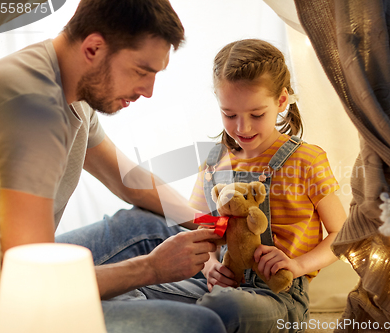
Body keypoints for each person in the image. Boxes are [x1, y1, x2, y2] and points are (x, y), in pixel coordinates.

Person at [0, 0, 226, 332]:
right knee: (202, 325)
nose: (148, 91)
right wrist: (151, 269)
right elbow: (33, 280)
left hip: (26, 261)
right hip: (1, 292)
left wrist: (214, 224)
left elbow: (128, 179)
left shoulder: (71, 87)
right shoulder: (33, 110)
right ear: (94, 48)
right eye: (142, 71)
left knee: (150, 226)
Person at [138, 39, 347, 332]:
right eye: (229, 114)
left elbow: (343, 234)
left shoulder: (306, 159)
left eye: (256, 115)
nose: (242, 128)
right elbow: (202, 230)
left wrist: (297, 265)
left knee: (225, 308)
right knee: (133, 293)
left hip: (278, 296)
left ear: (282, 101)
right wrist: (210, 266)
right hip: (216, 288)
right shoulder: (213, 163)